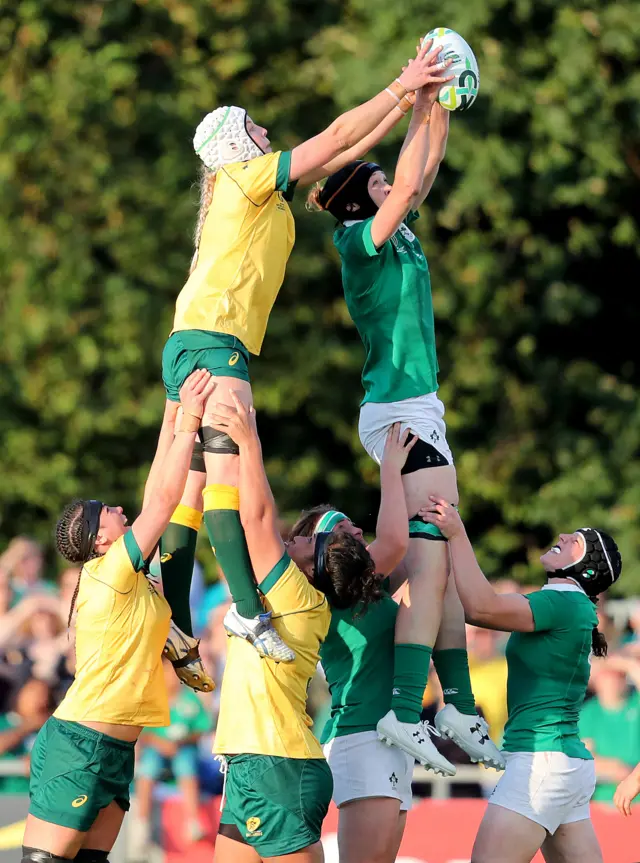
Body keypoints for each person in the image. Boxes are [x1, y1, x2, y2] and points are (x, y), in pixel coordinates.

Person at [159, 39, 454, 666]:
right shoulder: (248, 175)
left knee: (186, 489)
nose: (267, 131)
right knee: (224, 484)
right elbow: (338, 136)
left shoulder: (254, 194)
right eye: (255, 127)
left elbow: (346, 151)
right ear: (238, 146)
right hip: (216, 340)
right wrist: (405, 89)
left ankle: (177, 619)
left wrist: (429, 104)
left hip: (190, 337)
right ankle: (245, 608)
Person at [306, 74, 499, 771]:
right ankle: (407, 702)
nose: (398, 187)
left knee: (440, 564)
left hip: (419, 409)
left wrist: (436, 107)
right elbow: (411, 180)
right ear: (361, 198)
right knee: (429, 562)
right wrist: (419, 99)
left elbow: (425, 168)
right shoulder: (358, 240)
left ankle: (459, 707)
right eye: (381, 182)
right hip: (399, 413)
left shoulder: (399, 232)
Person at [21, 370, 214, 863]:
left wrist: (171, 419)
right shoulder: (109, 572)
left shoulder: (121, 572)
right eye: (106, 509)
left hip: (113, 747)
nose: (119, 507)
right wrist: (190, 419)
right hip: (79, 743)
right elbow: (164, 502)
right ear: (99, 540)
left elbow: (155, 497)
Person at [288, 428, 503, 863]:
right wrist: (391, 467)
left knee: (435, 570)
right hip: (364, 734)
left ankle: (459, 706)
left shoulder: (368, 588)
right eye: (346, 529)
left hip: (389, 735)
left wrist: (438, 513)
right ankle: (455, 704)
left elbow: (422, 553)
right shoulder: (330, 590)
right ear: (325, 552)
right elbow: (397, 543)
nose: (359, 530)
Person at [208, 392, 381, 863]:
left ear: (313, 569)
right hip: (255, 761)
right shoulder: (296, 594)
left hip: (277, 763)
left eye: (310, 542)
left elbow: (257, 518)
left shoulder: (297, 597)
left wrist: (249, 441)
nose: (299, 538)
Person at [423, 498, 622, 863]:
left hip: (541, 764)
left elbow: (480, 608)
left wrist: (456, 532)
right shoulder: (571, 605)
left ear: (587, 569)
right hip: (562, 765)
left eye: (575, 541)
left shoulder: (561, 601)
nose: (562, 535)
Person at [135, 658, 213, 849]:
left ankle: (192, 821)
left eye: (171, 673)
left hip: (183, 750)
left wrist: (182, 740)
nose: (169, 677)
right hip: (157, 751)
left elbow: (202, 727)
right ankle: (141, 825)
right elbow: (142, 731)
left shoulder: (189, 699)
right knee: (147, 769)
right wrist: (160, 742)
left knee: (186, 765)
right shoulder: (152, 700)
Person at [579, 655, 640, 803]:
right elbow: (587, 759)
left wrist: (629, 664)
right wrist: (618, 769)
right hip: (605, 801)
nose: (611, 681)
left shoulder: (635, 703)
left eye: (618, 675)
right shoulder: (588, 713)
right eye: (605, 675)